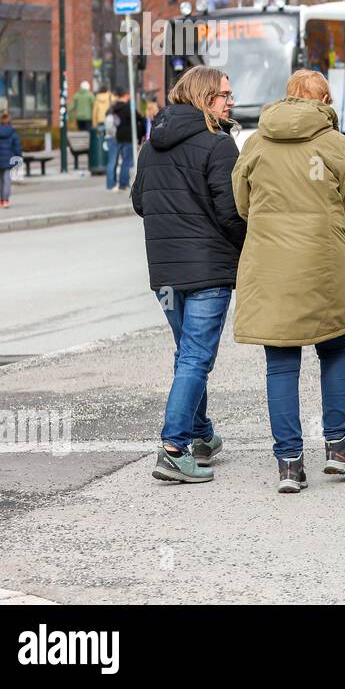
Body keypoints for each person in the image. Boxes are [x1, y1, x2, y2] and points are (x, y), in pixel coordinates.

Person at [231, 69, 345, 494]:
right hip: (322, 263)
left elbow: (241, 202)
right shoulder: (336, 144)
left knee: (280, 361)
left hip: (269, 264)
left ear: (286, 98)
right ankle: (338, 447)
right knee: (333, 347)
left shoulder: (255, 142)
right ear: (324, 100)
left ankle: (289, 464)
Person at [131, 66, 246, 484]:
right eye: (224, 95)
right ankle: (173, 448)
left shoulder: (151, 145)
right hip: (208, 271)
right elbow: (231, 214)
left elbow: (140, 202)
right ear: (203, 98)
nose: (230, 102)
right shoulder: (219, 146)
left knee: (186, 355)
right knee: (196, 357)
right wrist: (244, 245)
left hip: (163, 275)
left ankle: (202, 436)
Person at [105, 89, 140, 192]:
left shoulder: (113, 109)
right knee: (124, 160)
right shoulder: (126, 108)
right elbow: (136, 117)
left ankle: (111, 185)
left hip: (115, 136)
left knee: (114, 161)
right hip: (121, 136)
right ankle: (121, 183)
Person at [0, 112, 22, 209]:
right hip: (10, 160)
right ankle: (5, 200)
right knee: (7, 180)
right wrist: (19, 160)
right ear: (9, 122)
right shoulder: (13, 134)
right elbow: (17, 149)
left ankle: (2, 199)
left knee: (2, 180)